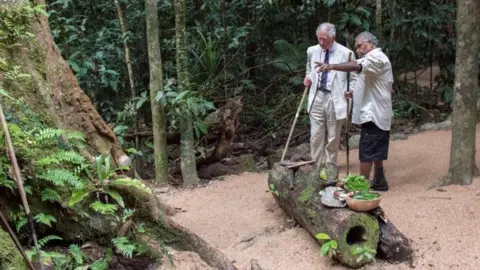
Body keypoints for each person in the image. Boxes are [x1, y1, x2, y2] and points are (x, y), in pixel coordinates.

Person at [314, 31, 393, 191]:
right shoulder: (370, 59)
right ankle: (379, 180)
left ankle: (361, 186)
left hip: (374, 113)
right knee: (375, 147)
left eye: (359, 45)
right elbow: (370, 81)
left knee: (367, 150)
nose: (357, 49)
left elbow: (357, 66)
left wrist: (332, 66)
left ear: (370, 44)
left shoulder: (377, 58)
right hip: (374, 111)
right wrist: (354, 92)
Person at [304, 23, 357, 167]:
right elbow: (309, 69)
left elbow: (353, 78)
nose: (321, 42)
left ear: (333, 37)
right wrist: (308, 77)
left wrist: (351, 91)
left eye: (324, 39)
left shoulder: (346, 53)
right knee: (315, 135)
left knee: (333, 135)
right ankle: (316, 165)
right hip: (317, 96)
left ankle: (330, 166)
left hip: (336, 97)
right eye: (319, 39)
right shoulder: (312, 51)